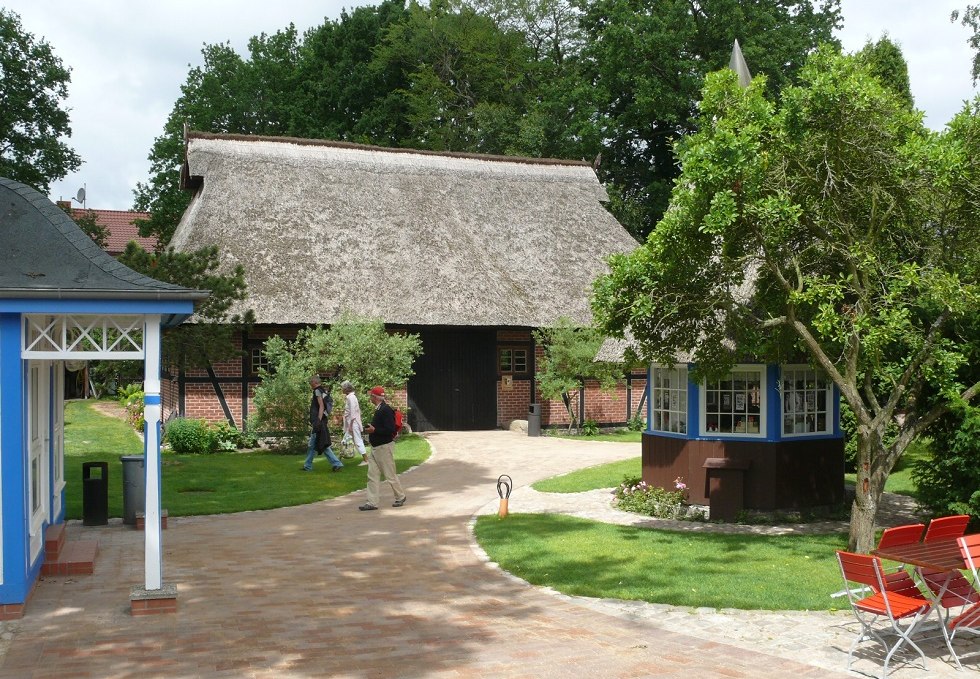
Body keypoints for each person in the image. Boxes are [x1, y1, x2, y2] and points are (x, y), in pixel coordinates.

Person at [358, 386, 406, 510]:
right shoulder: (380, 409)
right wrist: (372, 428)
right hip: (376, 448)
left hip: (384, 448)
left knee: (390, 474)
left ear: (375, 397)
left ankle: (400, 496)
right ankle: (372, 502)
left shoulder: (385, 410)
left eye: (371, 396)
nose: (370, 398)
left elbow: (389, 430)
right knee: (372, 475)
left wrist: (375, 430)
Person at [303, 375, 344, 472]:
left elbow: (321, 406)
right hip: (321, 421)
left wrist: (318, 420)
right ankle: (307, 465)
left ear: (315, 382)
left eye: (311, 382)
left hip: (318, 423)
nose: (310, 384)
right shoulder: (323, 391)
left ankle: (336, 463)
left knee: (320, 444)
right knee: (315, 444)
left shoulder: (317, 391)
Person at [341, 380, 368, 466]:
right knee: (345, 441)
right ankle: (337, 460)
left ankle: (366, 459)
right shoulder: (350, 397)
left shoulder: (351, 397)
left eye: (342, 388)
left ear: (346, 389)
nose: (342, 390)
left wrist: (350, 426)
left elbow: (353, 412)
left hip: (353, 423)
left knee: (357, 440)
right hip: (351, 423)